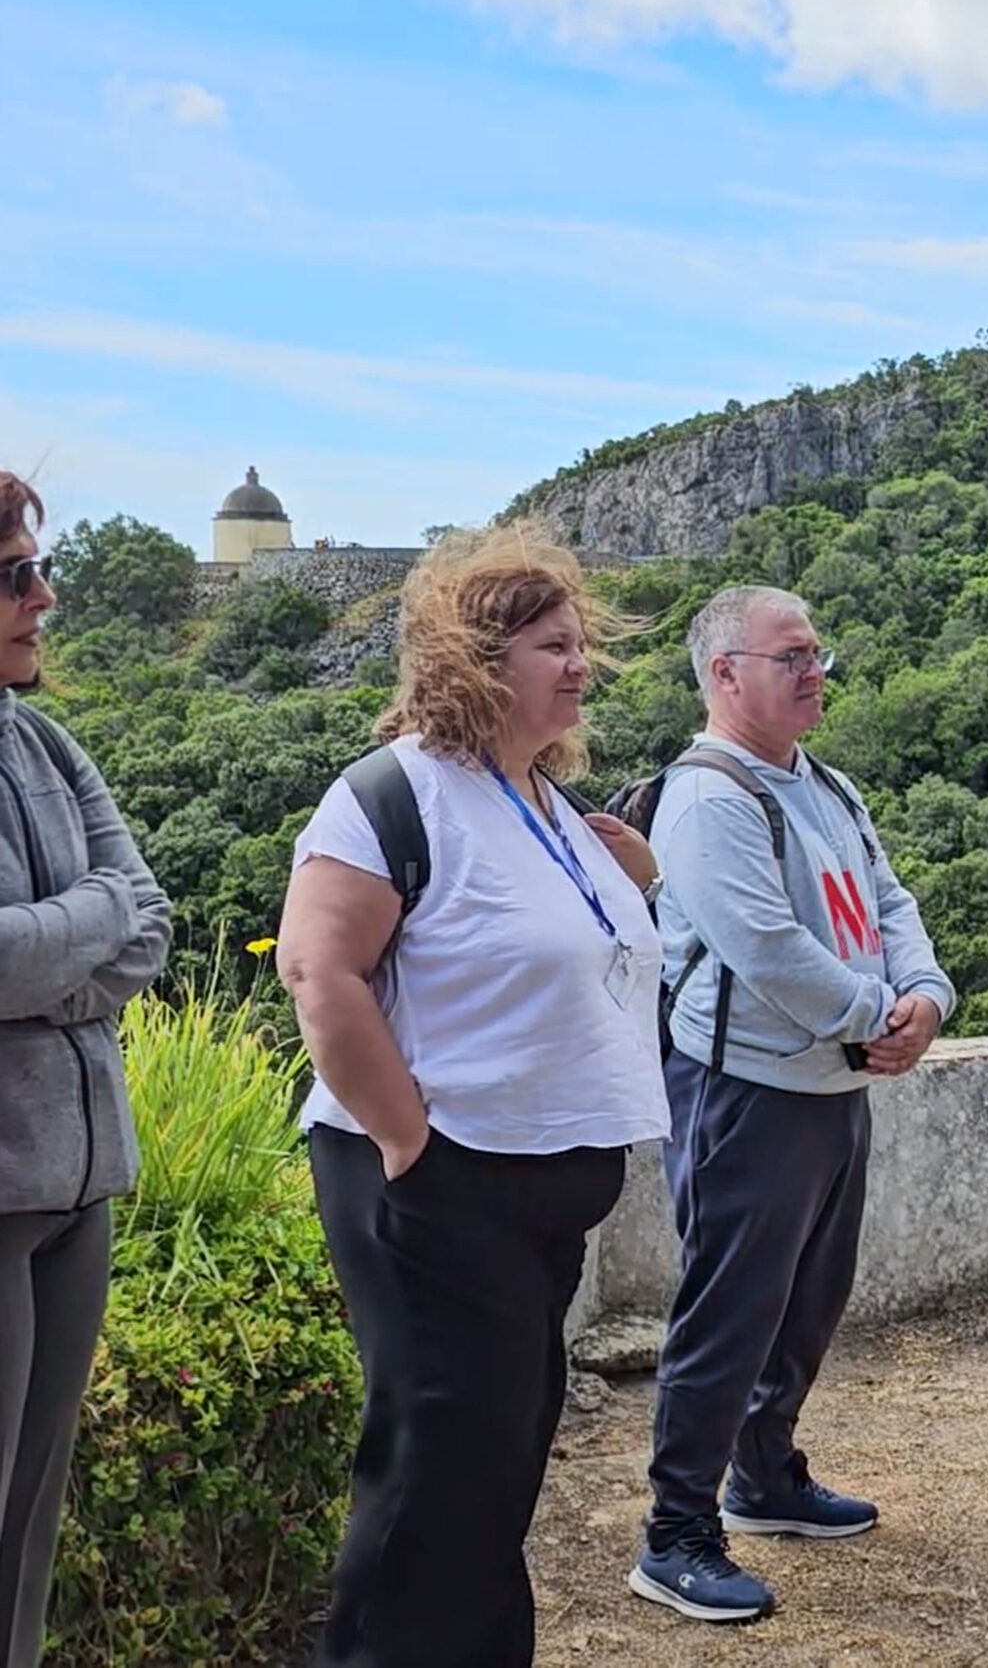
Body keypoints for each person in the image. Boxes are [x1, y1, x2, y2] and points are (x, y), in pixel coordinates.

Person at [275, 525, 668, 1668]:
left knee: (494, 1468)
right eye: (554, 645)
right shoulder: (395, 794)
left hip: (532, 1190)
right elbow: (318, 970)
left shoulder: (544, 800)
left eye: (581, 641)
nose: (581, 663)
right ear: (477, 661)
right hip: (437, 1181)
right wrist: (411, 1143)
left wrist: (633, 877)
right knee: (436, 1474)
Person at [630, 585, 954, 1625]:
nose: (816, 671)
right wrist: (875, 1016)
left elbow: (889, 900)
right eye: (792, 656)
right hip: (746, 1091)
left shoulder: (824, 783)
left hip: (830, 1081)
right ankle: (675, 1533)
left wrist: (926, 994)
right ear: (725, 674)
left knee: (808, 1299)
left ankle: (764, 1476)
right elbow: (764, 948)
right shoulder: (706, 799)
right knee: (728, 1313)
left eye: (819, 653)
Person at [0, 471, 172, 1668]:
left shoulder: (43, 738)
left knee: (28, 1534)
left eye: (38, 568)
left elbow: (149, 924)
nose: (44, 597)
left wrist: (53, 955)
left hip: (77, 1181)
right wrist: (90, 921)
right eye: (15, 576)